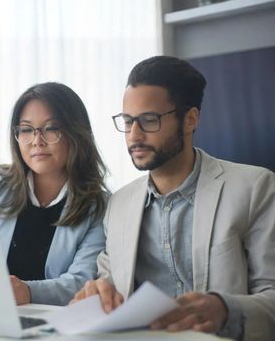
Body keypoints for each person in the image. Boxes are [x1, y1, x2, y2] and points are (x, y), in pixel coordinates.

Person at [72, 56, 275, 341]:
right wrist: (96, 294)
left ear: (190, 119)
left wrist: (226, 309)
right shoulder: (119, 205)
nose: (134, 135)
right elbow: (109, 285)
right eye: (128, 121)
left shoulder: (254, 188)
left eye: (149, 120)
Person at [0, 82, 109, 306]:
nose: (36, 141)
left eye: (51, 128)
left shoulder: (99, 206)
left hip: (51, 323)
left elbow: (82, 282)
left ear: (76, 133)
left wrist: (28, 291)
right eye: (26, 129)